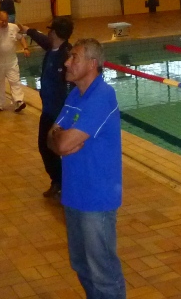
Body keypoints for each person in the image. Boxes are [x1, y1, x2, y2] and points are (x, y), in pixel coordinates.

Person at [48, 39, 126, 299]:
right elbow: (52, 138)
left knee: (103, 272)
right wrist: (60, 140)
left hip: (96, 199)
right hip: (74, 194)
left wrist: (61, 140)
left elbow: (62, 142)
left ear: (92, 64)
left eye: (74, 57)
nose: (67, 62)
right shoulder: (75, 95)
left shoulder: (103, 96)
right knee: (81, 265)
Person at [24, 16, 73, 198]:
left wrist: (65, 117)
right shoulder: (53, 48)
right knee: (45, 146)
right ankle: (58, 181)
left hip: (60, 114)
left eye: (50, 30)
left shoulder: (67, 56)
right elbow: (42, 40)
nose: (48, 33)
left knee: (62, 149)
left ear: (55, 32)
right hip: (48, 111)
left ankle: (66, 183)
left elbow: (71, 88)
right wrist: (28, 30)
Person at [0, 11, 25, 112]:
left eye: (6, 20)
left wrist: (25, 48)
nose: (4, 23)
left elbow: (21, 37)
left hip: (12, 61)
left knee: (15, 81)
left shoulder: (13, 27)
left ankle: (18, 101)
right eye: (2, 21)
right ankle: (0, 104)